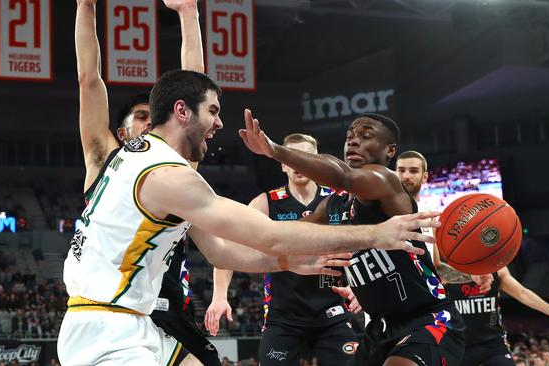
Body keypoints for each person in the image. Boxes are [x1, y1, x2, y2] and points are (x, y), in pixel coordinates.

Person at [58, 70, 441, 365]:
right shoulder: (168, 177)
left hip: (133, 320)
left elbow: (223, 253)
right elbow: (271, 235)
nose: (219, 123)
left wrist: (289, 261)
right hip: (107, 326)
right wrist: (375, 234)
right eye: (213, 111)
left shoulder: (135, 158)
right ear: (181, 113)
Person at [239, 112, 465, 366]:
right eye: (350, 137)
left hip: (426, 318)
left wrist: (275, 151)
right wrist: (234, 231)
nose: (353, 142)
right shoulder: (333, 205)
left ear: (389, 150)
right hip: (380, 328)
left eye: (365, 136)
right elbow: (289, 235)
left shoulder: (386, 182)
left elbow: (342, 175)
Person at [74, 0, 218, 364]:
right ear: (121, 133)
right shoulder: (103, 160)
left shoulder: (176, 164)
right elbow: (89, 80)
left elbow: (195, 88)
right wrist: (85, 6)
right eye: (141, 117)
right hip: (116, 310)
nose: (150, 122)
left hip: (169, 305)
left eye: (154, 116)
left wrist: (189, 14)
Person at [205, 134, 360, 365]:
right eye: (292, 157)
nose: (299, 163)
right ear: (283, 164)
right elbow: (228, 248)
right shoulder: (265, 203)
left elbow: (367, 244)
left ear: (317, 162)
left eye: (306, 157)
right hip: (283, 317)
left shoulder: (341, 200)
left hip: (333, 313)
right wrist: (219, 296)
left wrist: (363, 289)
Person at [436, 260, 549, 366]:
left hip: (492, 343)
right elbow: (436, 269)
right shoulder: (446, 269)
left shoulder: (497, 269)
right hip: (459, 344)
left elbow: (522, 293)